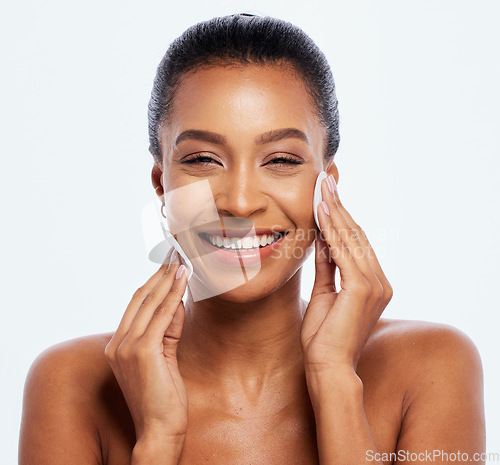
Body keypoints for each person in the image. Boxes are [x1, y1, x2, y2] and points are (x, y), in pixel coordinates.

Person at [19, 13, 485, 465]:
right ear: (162, 184)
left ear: (329, 183)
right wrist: (158, 441)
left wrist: (335, 383)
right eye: (202, 159)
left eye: (281, 160)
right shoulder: (72, 385)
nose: (240, 203)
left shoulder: (431, 367)